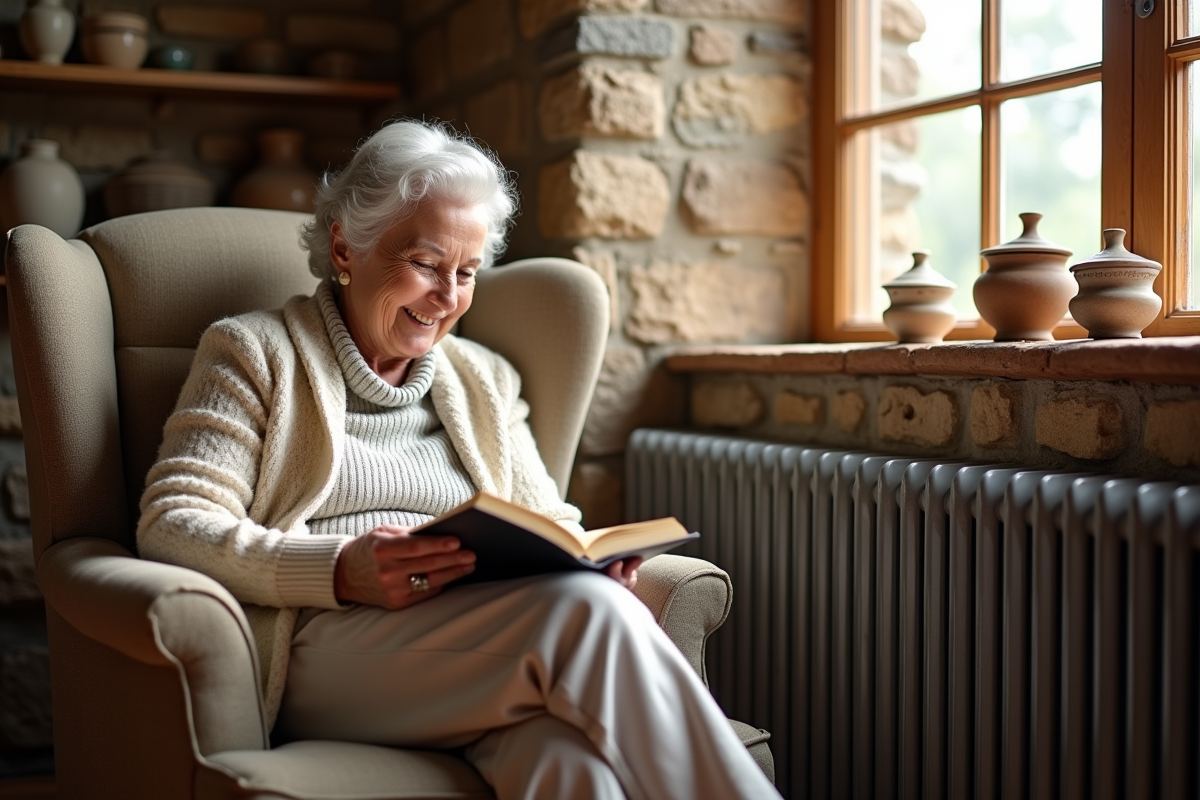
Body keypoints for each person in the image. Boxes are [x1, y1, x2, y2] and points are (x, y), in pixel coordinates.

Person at [137, 120, 780, 800]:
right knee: (587, 614)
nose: (448, 297)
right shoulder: (252, 352)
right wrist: (337, 570)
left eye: (466, 272)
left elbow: (549, 518)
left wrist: (593, 556)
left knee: (570, 762)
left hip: (481, 648)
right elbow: (172, 523)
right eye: (424, 263)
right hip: (322, 647)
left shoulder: (484, 379)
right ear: (345, 246)